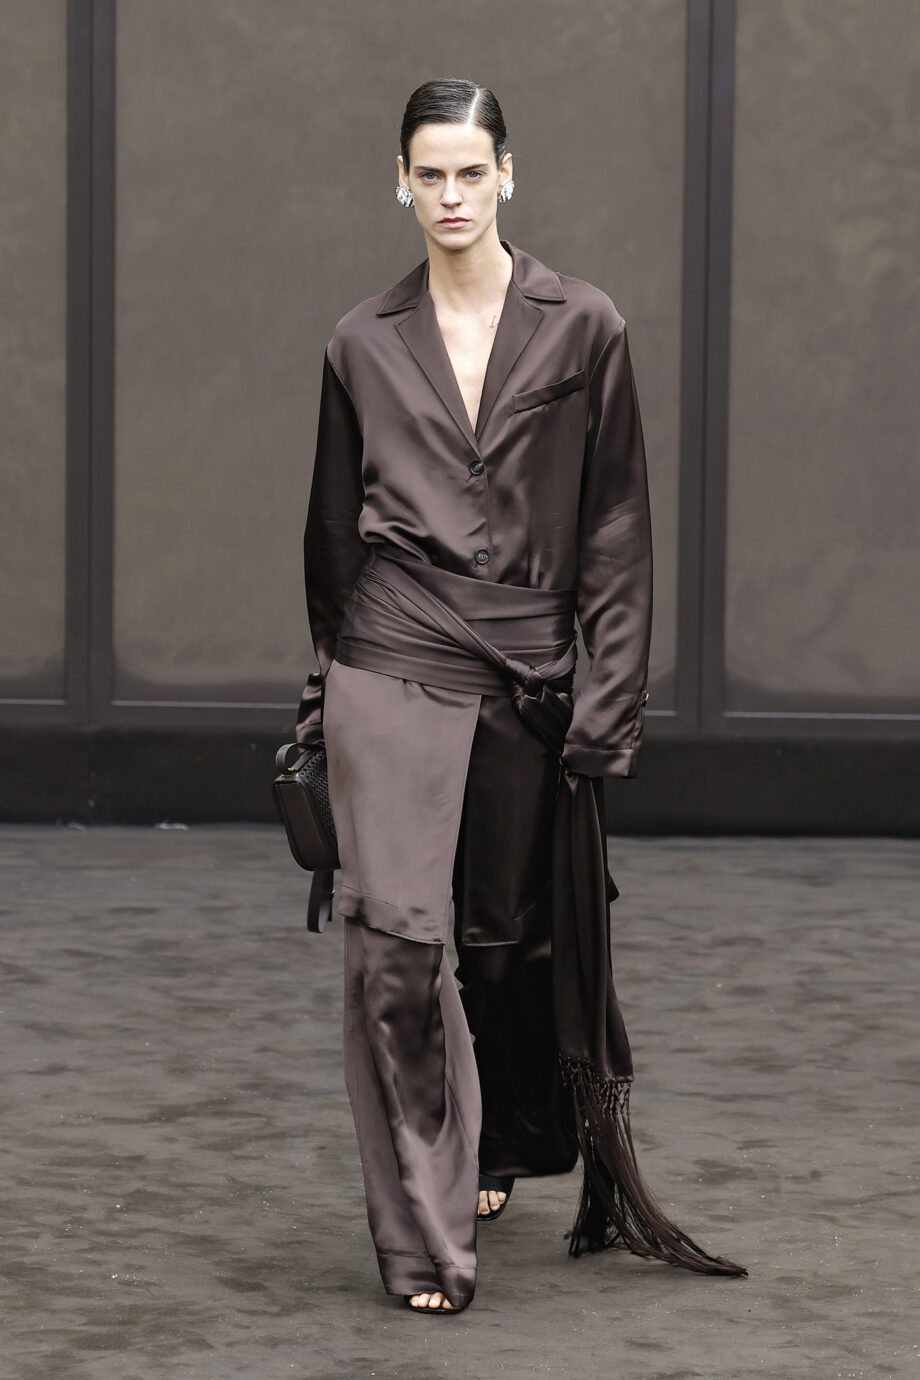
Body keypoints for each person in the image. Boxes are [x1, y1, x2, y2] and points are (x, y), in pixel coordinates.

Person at [295, 77, 746, 1313]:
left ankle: (495, 1142)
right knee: (395, 949)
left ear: (507, 174)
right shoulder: (359, 340)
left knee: (501, 941)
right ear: (398, 182)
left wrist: (604, 709)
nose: (449, 195)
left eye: (468, 172)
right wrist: (329, 696)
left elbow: (615, 525)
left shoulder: (581, 324)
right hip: (392, 654)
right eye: (427, 174)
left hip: (528, 675)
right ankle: (422, 1242)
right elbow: (330, 537)